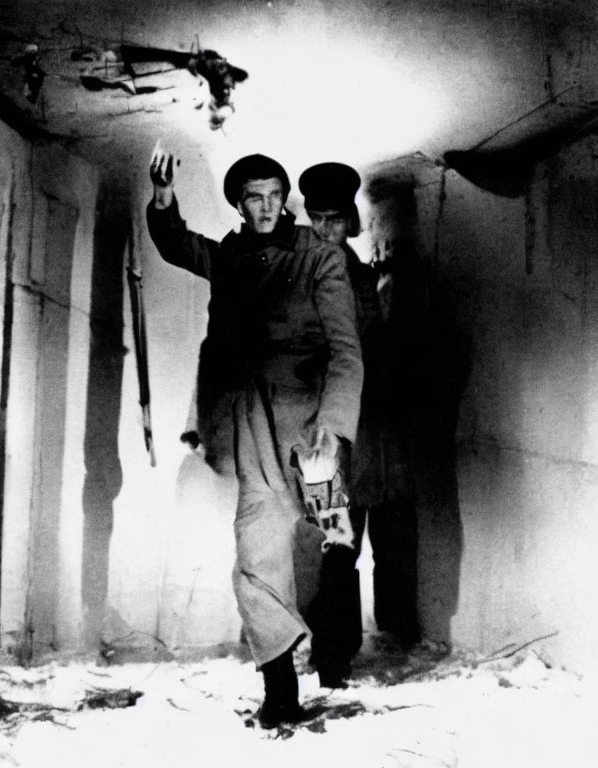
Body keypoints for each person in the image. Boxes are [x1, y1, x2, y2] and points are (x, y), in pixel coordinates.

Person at [146, 149, 363, 727]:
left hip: (312, 426)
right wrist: (164, 198)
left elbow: (346, 352)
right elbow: (175, 244)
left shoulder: (321, 258)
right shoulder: (232, 256)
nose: (265, 208)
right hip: (253, 425)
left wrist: (334, 428)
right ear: (239, 204)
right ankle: (281, 690)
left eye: (273, 195)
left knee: (334, 540)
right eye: (253, 198)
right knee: (256, 552)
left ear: (282, 197)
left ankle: (337, 661)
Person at [298, 162, 422, 673]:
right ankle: (331, 654)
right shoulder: (296, 273)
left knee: (380, 530)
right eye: (318, 220)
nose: (328, 230)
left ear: (350, 219)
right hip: (324, 432)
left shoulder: (362, 275)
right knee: (333, 541)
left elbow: (378, 352)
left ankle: (386, 639)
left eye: (336, 219)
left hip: (370, 429)